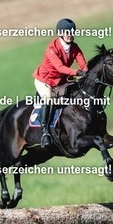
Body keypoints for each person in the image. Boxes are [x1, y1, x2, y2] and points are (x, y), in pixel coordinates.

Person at [32, 18, 88, 148]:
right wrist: (77, 72)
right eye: (67, 32)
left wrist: (86, 72)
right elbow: (60, 68)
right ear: (60, 33)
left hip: (61, 80)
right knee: (48, 99)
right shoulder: (52, 48)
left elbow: (83, 64)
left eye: (72, 32)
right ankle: (45, 133)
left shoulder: (74, 47)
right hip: (45, 80)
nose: (70, 35)